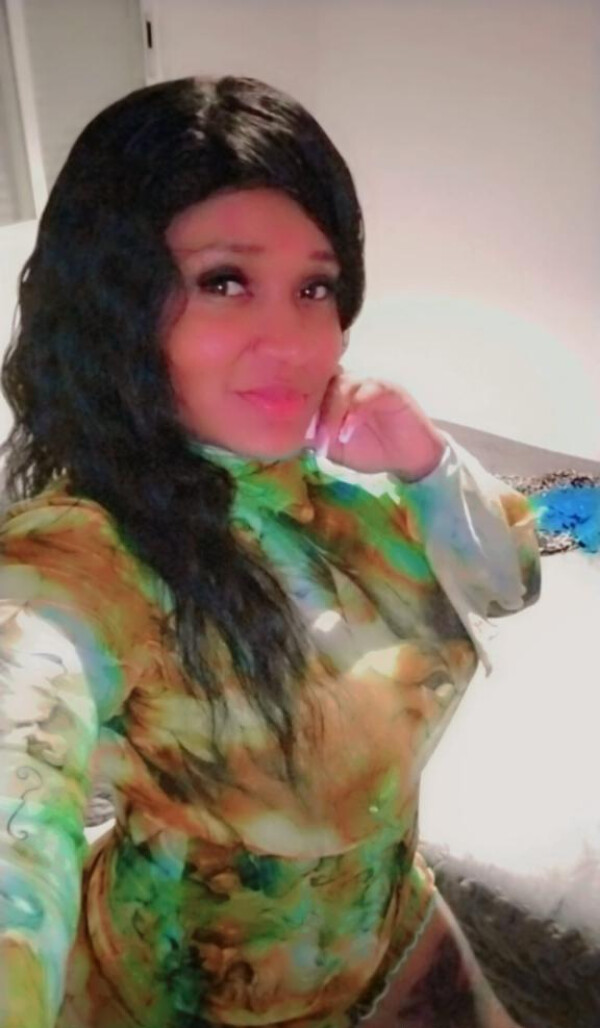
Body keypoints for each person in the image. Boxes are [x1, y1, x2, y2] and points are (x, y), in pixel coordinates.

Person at [0, 75, 541, 1028]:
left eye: (314, 288)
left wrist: (425, 461)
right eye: (224, 282)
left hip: (404, 940)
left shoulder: (346, 484)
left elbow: (510, 585)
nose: (292, 344)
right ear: (117, 305)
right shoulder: (85, 556)